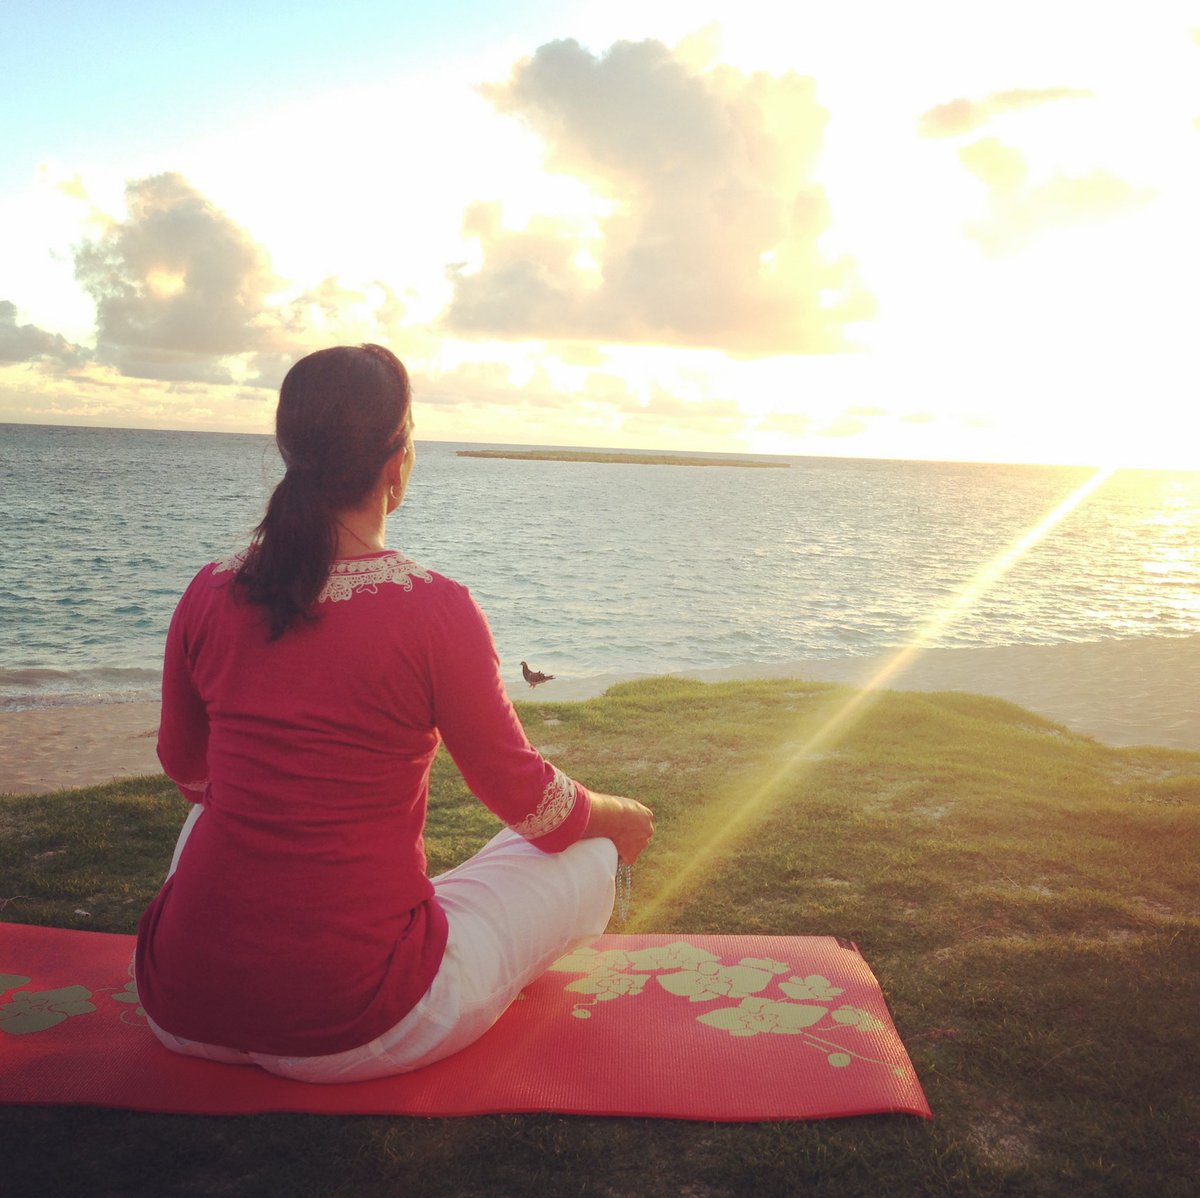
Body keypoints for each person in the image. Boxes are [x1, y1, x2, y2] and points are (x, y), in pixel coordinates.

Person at [135, 343, 654, 1083]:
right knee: (588, 849)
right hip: (362, 1022)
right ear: (398, 460)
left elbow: (187, 770)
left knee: (207, 817)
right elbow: (528, 803)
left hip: (181, 1006)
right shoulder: (436, 608)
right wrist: (617, 816)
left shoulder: (210, 590)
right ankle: (366, 923)